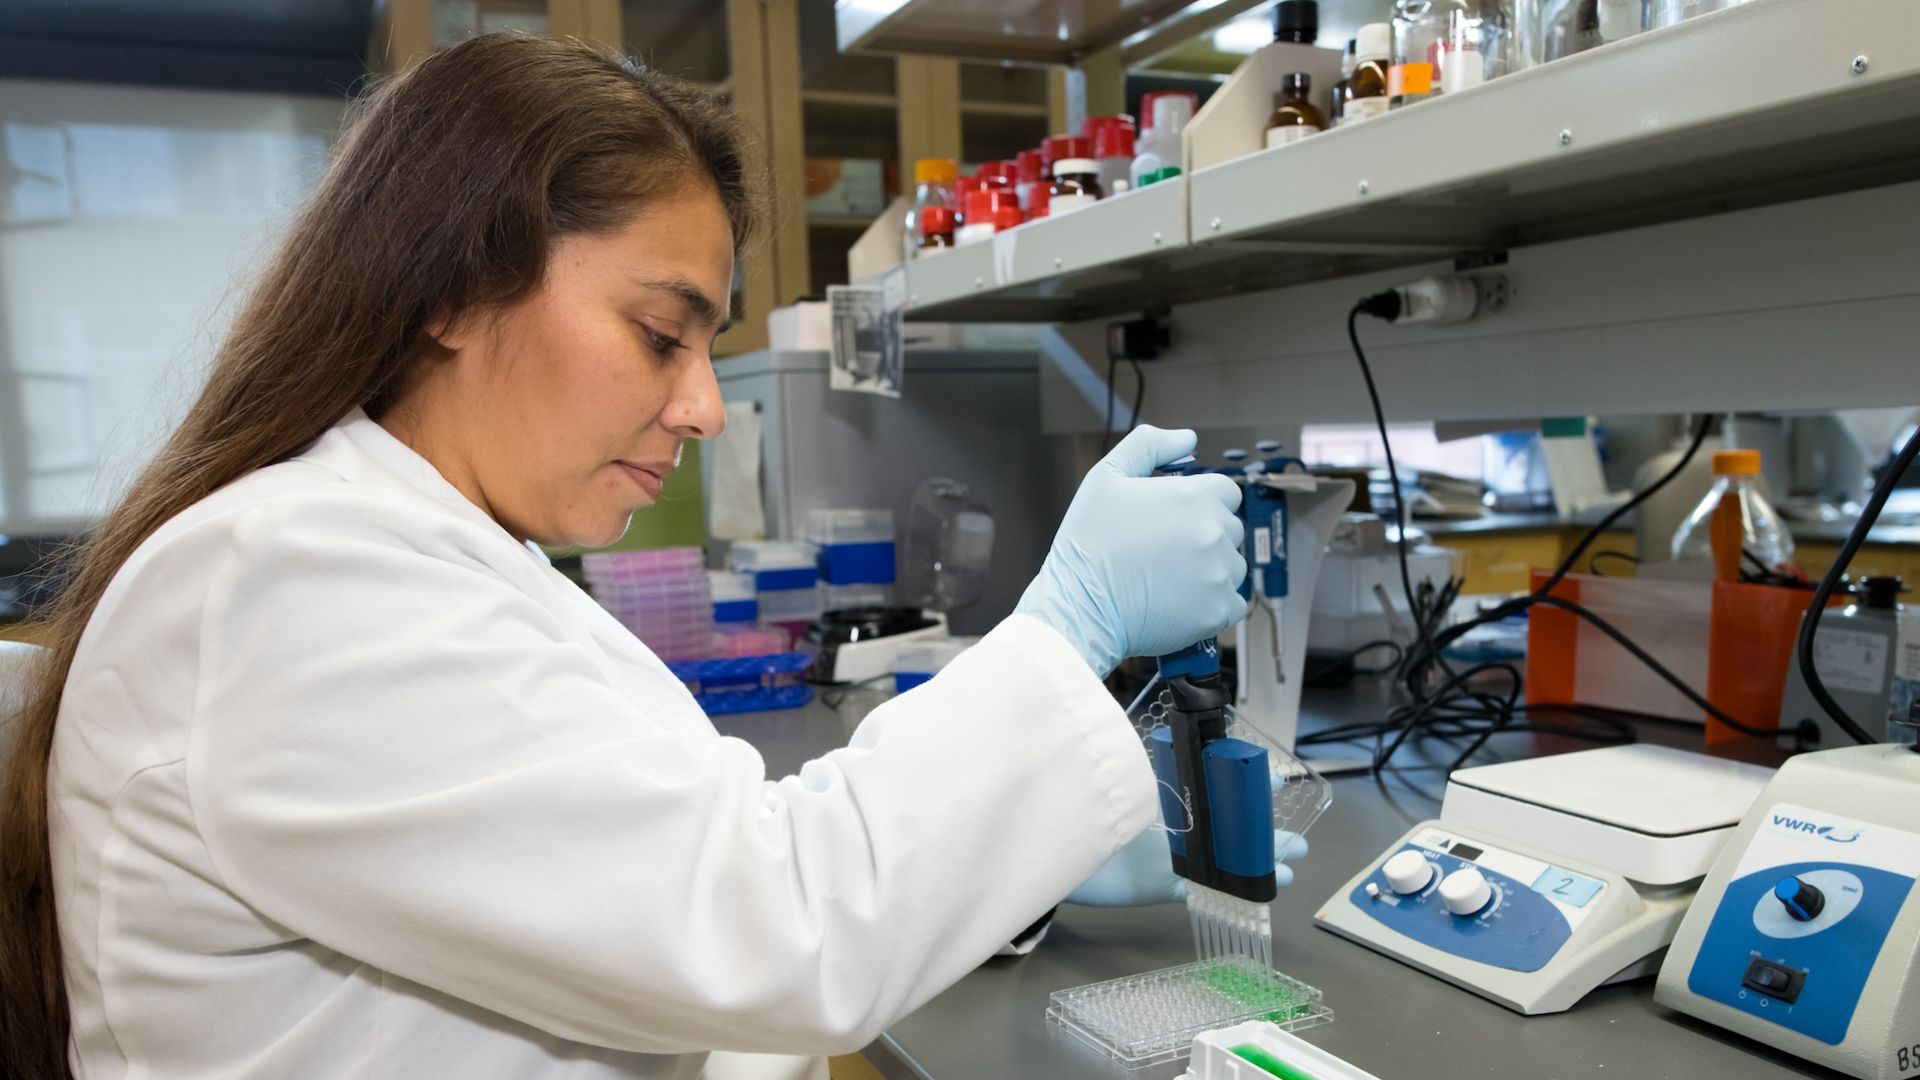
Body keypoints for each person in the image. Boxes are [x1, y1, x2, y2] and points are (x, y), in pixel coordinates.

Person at [0, 35, 1253, 1080]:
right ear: (448, 285)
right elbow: (772, 928)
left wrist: (1015, 872)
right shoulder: (286, 585)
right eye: (663, 334)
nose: (704, 406)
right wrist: (1070, 623)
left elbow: (651, 885)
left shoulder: (426, 553)